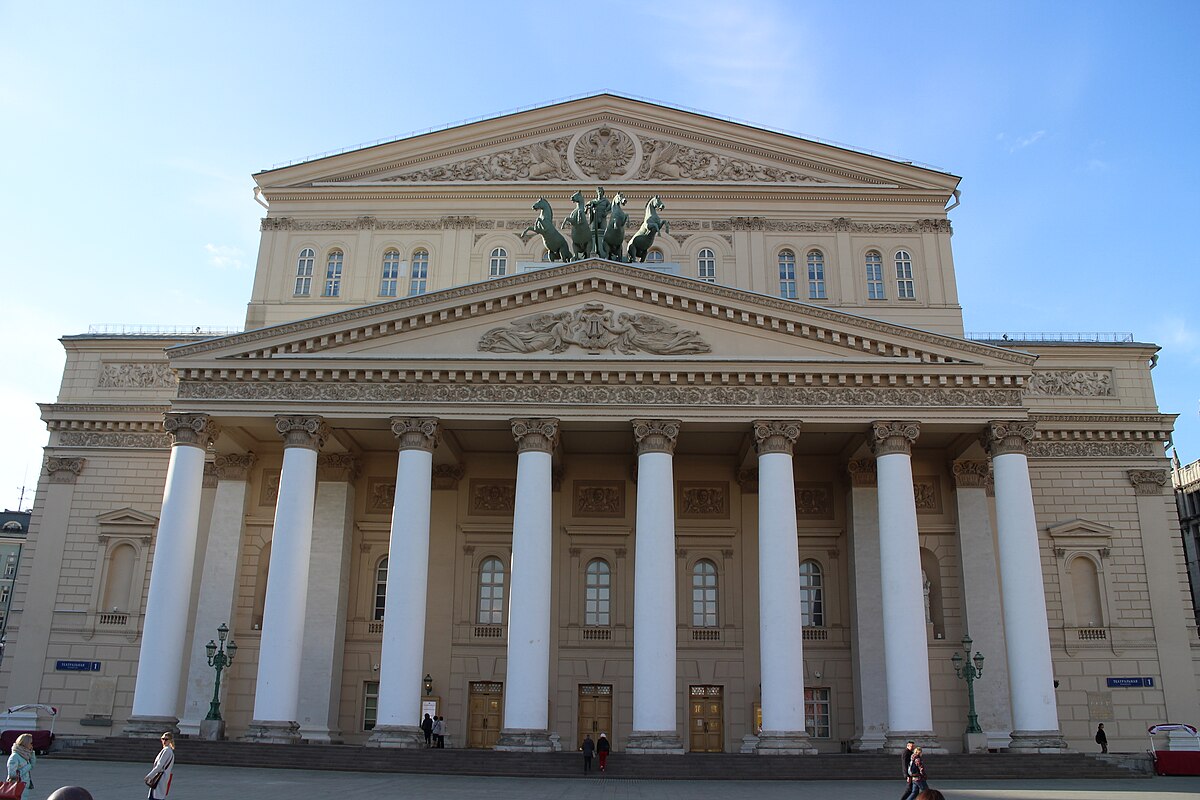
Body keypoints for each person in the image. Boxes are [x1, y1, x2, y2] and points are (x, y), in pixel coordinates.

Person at [145, 731, 175, 800]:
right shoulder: (168, 750)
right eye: (163, 739)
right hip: (161, 778)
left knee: (156, 797)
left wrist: (149, 776)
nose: (164, 741)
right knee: (158, 797)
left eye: (166, 739)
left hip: (160, 778)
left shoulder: (167, 750)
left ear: (170, 741)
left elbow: (159, 766)